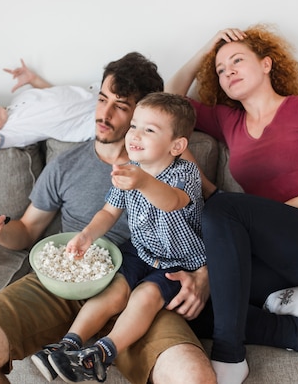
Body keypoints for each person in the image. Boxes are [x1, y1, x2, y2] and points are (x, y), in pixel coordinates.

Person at [0, 52, 218, 384]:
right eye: (102, 99)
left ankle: (101, 351)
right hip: (66, 278)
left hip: (143, 285)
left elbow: (210, 212)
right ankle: (68, 346)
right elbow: (27, 231)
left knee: (193, 377)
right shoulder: (65, 165)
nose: (103, 114)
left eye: (120, 106)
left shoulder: (171, 165)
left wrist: (204, 274)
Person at [166, 24, 298, 384]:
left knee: (223, 207)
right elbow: (171, 99)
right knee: (187, 303)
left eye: (236, 60)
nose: (227, 70)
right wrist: (207, 47)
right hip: (276, 256)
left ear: (266, 64)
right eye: (219, 69)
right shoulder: (228, 121)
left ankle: (231, 358)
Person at [41, 92, 206, 383]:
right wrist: (87, 235)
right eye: (134, 126)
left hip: (178, 262)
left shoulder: (185, 173)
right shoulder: (130, 170)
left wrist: (142, 181)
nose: (135, 135)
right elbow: (108, 211)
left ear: (177, 145)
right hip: (140, 250)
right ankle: (68, 344)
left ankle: (102, 353)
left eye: (149, 130)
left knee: (146, 296)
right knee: (114, 290)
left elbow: (171, 201)